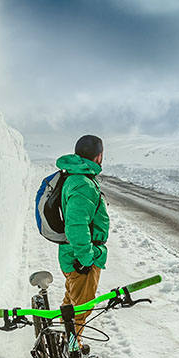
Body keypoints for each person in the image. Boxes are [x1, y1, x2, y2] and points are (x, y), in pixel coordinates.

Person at [56, 134, 110, 343]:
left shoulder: (77, 177)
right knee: (80, 311)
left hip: (74, 255)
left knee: (72, 304)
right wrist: (87, 258)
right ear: (98, 156)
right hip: (80, 259)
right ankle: (70, 351)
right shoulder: (82, 184)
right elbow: (76, 225)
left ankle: (64, 343)